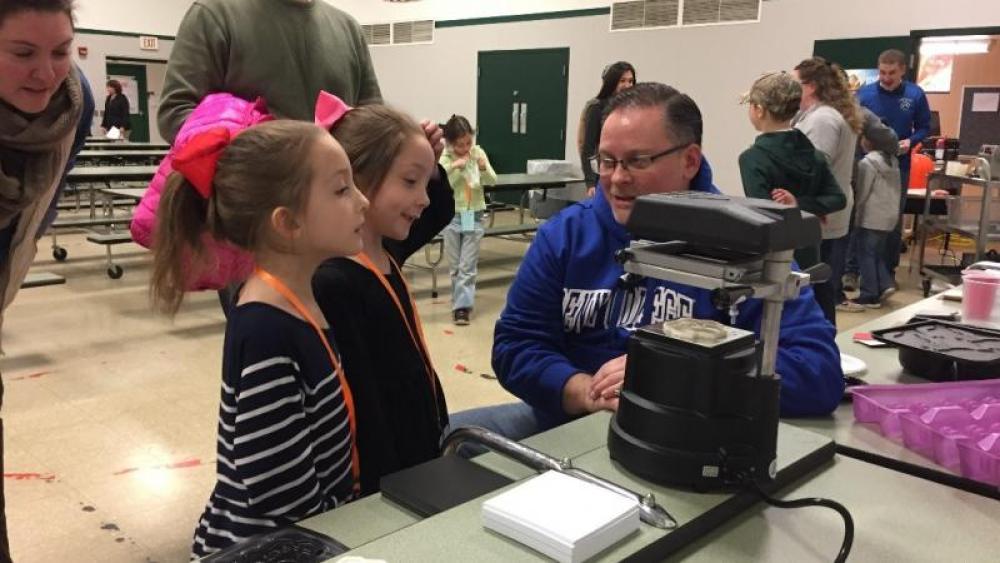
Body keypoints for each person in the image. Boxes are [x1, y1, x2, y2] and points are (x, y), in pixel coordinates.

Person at [488, 83, 844, 438]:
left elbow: (818, 373)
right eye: (607, 161)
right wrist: (583, 391)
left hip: (684, 441)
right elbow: (516, 346)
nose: (617, 178)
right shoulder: (564, 236)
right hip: (569, 425)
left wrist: (677, 374)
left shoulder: (749, 247)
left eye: (637, 161)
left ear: (689, 160)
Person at [148, 121, 369, 557]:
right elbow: (282, 495)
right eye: (342, 190)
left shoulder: (302, 302)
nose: (362, 200)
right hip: (264, 549)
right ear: (287, 223)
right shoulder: (267, 331)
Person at [311, 96, 453, 495]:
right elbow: (365, 410)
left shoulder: (387, 249)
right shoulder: (334, 280)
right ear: (354, 178)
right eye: (410, 182)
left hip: (421, 446)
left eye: (425, 184)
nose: (424, 197)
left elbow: (439, 209)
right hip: (390, 477)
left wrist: (427, 162)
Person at [0, 1, 91, 559]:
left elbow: (39, 211)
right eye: (22, 54)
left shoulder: (71, 106)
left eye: (60, 51)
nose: (46, 72)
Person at [158, 0, 382, 144]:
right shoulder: (213, 15)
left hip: (331, 210)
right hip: (246, 208)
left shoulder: (349, 29)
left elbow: (372, 123)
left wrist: (405, 137)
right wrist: (268, 152)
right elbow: (176, 115)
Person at [739, 71, 846, 271]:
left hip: (774, 257)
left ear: (759, 110)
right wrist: (798, 204)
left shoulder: (752, 159)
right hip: (808, 249)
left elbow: (762, 214)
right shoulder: (814, 155)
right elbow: (838, 198)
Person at [792, 57, 863, 325]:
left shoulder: (822, 120)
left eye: (794, 82)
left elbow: (813, 171)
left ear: (809, 87)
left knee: (818, 285)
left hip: (819, 214)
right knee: (821, 284)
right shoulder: (818, 116)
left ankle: (821, 341)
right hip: (821, 211)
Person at [856, 49, 931, 280]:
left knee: (892, 217)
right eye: (882, 72)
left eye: (891, 73)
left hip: (899, 164)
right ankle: (854, 272)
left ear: (902, 71)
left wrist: (912, 141)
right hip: (866, 162)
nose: (886, 77)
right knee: (859, 213)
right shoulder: (865, 94)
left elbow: (924, 127)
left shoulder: (915, 94)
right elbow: (853, 124)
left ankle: (887, 271)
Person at [438, 115, 496, 325]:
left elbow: (492, 180)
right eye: (459, 145)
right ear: (449, 143)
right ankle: (459, 300)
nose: (465, 148)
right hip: (451, 216)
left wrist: (481, 167)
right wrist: (455, 167)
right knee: (455, 266)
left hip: (473, 214)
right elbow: (441, 184)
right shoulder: (444, 158)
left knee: (467, 264)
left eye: (468, 143)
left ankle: (462, 308)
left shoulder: (477, 152)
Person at [840, 122, 901, 311]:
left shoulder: (867, 163)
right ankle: (884, 283)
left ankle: (869, 294)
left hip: (871, 215)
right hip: (889, 215)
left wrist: (855, 211)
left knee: (864, 254)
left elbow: (863, 191)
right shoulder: (892, 161)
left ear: (868, 141)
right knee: (875, 253)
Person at [578, 61, 636, 197]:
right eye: (622, 81)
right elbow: (587, 148)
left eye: (631, 81)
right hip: (604, 172)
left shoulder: (634, 108)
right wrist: (590, 182)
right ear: (612, 82)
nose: (627, 85)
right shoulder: (596, 107)